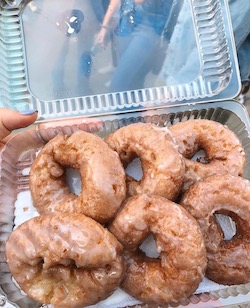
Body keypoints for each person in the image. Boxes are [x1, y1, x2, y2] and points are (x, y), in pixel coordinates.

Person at [95, 0, 176, 93]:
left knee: (117, 89)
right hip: (127, 22)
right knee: (134, 84)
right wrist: (104, 28)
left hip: (150, 27)